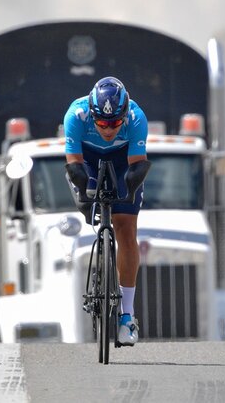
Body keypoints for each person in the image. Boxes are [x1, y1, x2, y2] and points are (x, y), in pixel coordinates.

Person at [63, 76, 149, 346]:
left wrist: (127, 193)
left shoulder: (136, 117)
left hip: (124, 161)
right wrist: (84, 194)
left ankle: (127, 317)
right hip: (87, 160)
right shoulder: (76, 114)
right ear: (92, 113)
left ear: (124, 115)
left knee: (126, 229)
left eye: (114, 123)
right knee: (87, 200)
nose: (108, 129)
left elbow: (136, 166)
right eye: (102, 123)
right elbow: (74, 165)